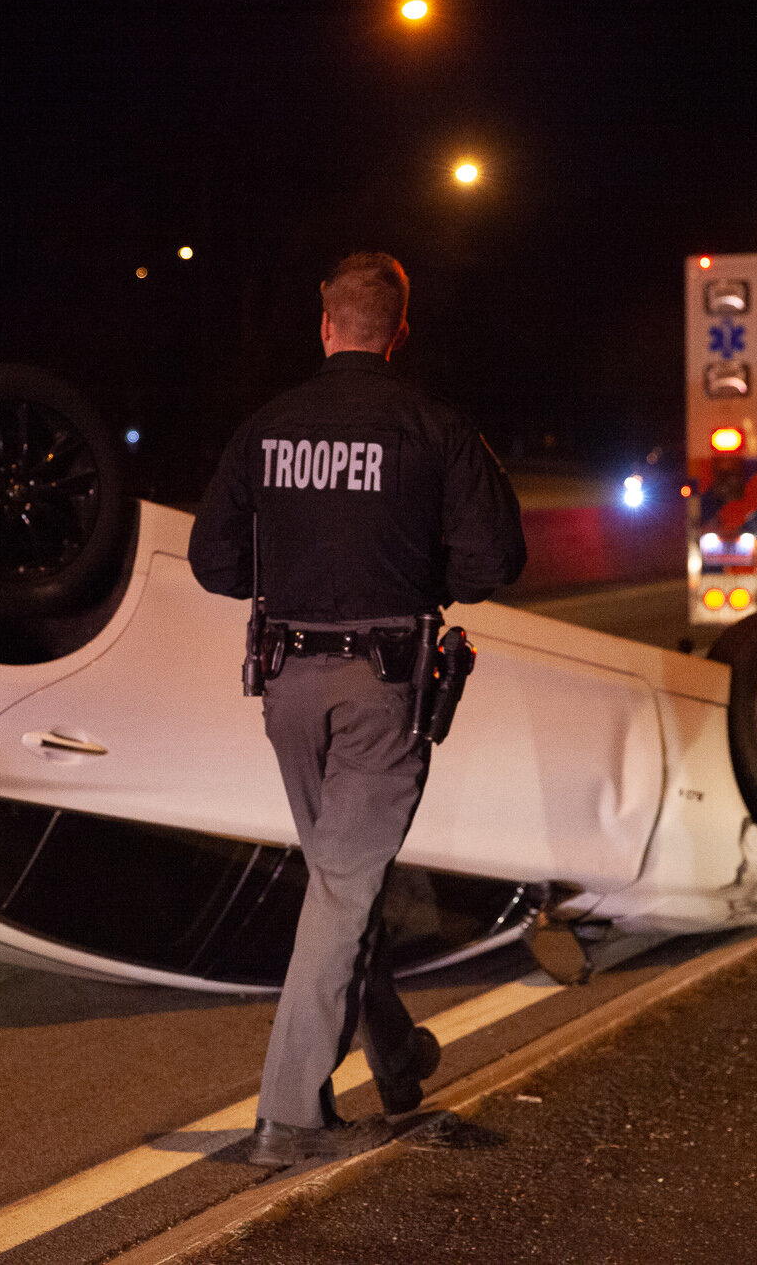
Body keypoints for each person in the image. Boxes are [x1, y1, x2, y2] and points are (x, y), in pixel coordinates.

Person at [189, 252, 526, 1168]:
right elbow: (496, 561)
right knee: (345, 882)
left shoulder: (267, 428)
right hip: (383, 684)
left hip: (286, 683)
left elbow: (213, 563)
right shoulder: (435, 427)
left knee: (343, 875)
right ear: (398, 331)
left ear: (325, 324)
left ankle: (395, 1052)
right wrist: (422, 577)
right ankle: (288, 1113)